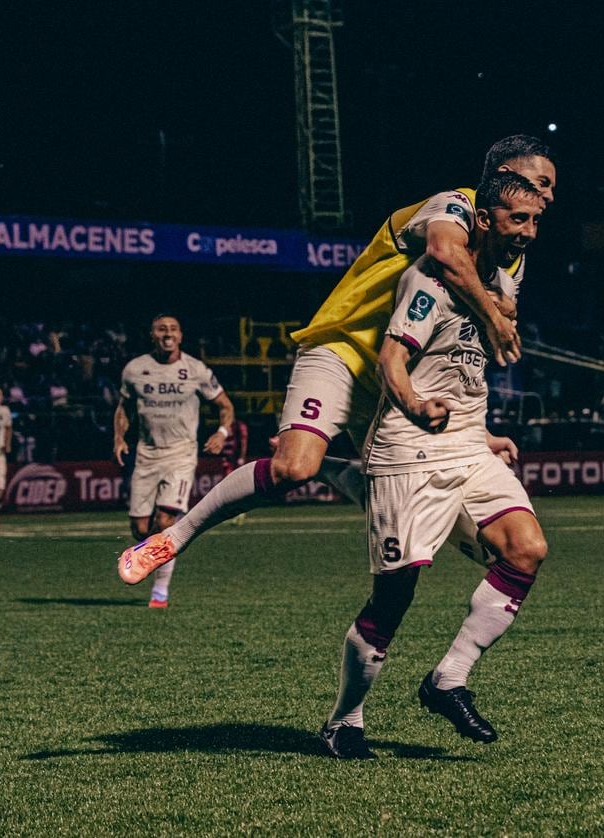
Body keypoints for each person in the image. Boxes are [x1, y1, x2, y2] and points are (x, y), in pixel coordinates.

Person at [118, 137, 557, 582]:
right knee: (293, 467)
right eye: (542, 182)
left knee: (405, 503)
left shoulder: (510, 256)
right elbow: (445, 255)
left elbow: (463, 349)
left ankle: (331, 470)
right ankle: (174, 537)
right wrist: (497, 316)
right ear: (503, 178)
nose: (549, 195)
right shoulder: (453, 204)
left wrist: (473, 432)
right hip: (344, 350)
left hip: (400, 375)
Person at [319, 172, 547, 759]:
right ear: (483, 218)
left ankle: (448, 680)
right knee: (394, 599)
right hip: (409, 446)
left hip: (467, 445)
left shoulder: (499, 283)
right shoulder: (431, 278)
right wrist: (418, 404)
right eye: (517, 219)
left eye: (536, 220)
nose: (529, 231)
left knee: (525, 548)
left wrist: (483, 430)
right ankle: (344, 720)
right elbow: (391, 362)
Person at [114, 314, 235, 608]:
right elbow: (124, 407)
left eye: (173, 329)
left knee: (166, 521)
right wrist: (119, 438)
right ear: (152, 335)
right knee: (140, 529)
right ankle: (150, 560)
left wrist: (221, 432)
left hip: (181, 453)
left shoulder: (195, 370)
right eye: (161, 329)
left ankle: (160, 591)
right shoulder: (135, 370)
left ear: (181, 336)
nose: (167, 333)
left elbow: (225, 406)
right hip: (146, 453)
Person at [0, 387, 10, 508]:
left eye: (0, 395)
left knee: (0, 477)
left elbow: (8, 428)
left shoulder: (5, 410)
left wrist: (7, 444)